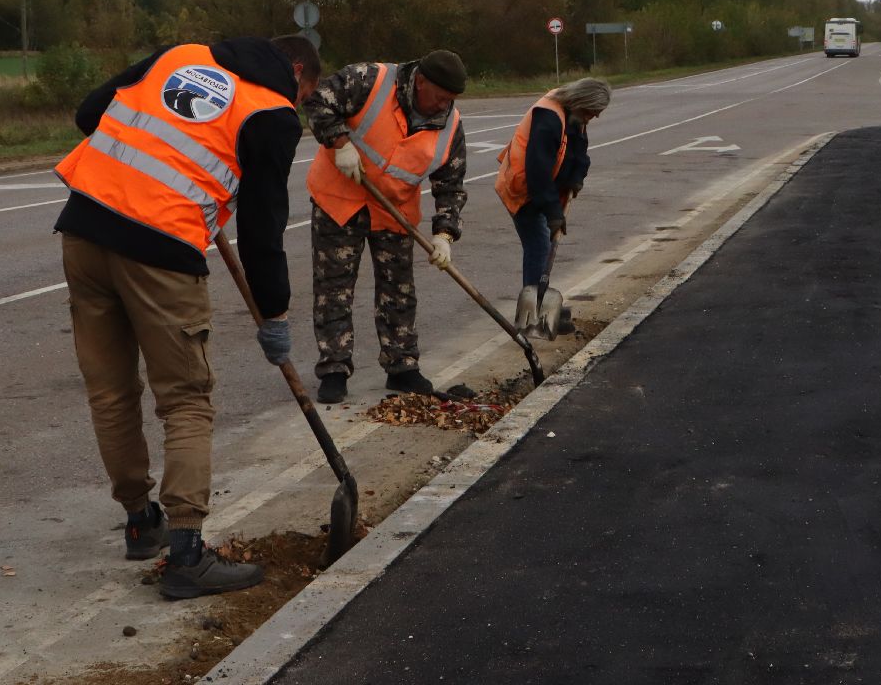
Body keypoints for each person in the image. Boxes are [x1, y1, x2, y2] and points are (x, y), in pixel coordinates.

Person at [54, 35, 320, 600]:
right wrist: (274, 313)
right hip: (161, 251)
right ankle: (187, 554)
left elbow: (89, 114)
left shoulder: (182, 55)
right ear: (296, 71)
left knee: (111, 392)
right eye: (305, 93)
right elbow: (262, 231)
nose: (299, 103)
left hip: (84, 227)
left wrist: (157, 165)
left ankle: (139, 521)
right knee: (186, 399)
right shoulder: (272, 115)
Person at [303, 50, 469, 403]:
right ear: (420, 82)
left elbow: (451, 185)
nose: (444, 105)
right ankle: (334, 368)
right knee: (333, 288)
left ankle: (402, 366)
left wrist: (444, 234)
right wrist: (339, 141)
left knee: (399, 292)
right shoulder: (369, 81)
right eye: (441, 97)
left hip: (394, 211)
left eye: (451, 99)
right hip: (339, 200)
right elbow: (317, 101)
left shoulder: (450, 126)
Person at [495, 78, 612, 333]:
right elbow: (537, 172)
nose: (595, 117)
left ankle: (541, 307)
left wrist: (577, 177)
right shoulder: (548, 118)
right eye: (593, 111)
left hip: (542, 187)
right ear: (581, 102)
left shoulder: (575, 115)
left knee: (542, 245)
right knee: (539, 245)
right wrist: (553, 214)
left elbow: (579, 150)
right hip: (523, 188)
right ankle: (533, 316)